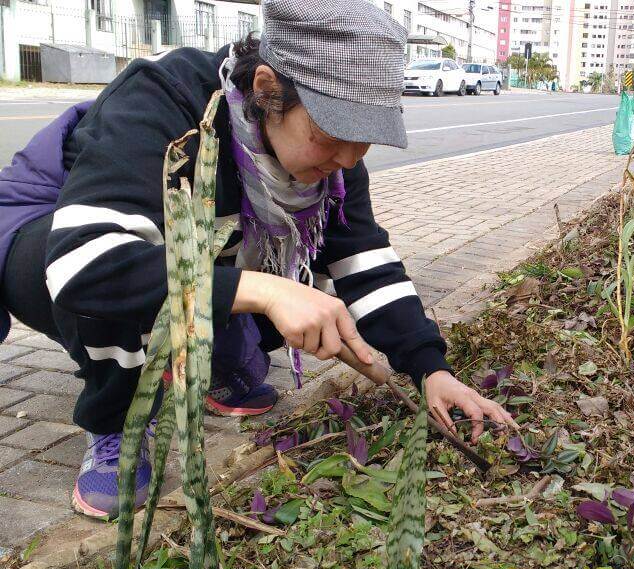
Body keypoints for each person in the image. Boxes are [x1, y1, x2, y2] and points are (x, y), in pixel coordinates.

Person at [0, 0, 512, 519]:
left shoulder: (338, 161)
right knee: (113, 281)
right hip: (51, 229)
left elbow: (365, 260)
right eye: (331, 139)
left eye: (365, 143)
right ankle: (117, 420)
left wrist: (430, 370)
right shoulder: (164, 97)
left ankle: (220, 361)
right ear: (267, 90)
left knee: (302, 282)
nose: (348, 161)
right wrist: (267, 291)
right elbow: (87, 267)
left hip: (199, 241)